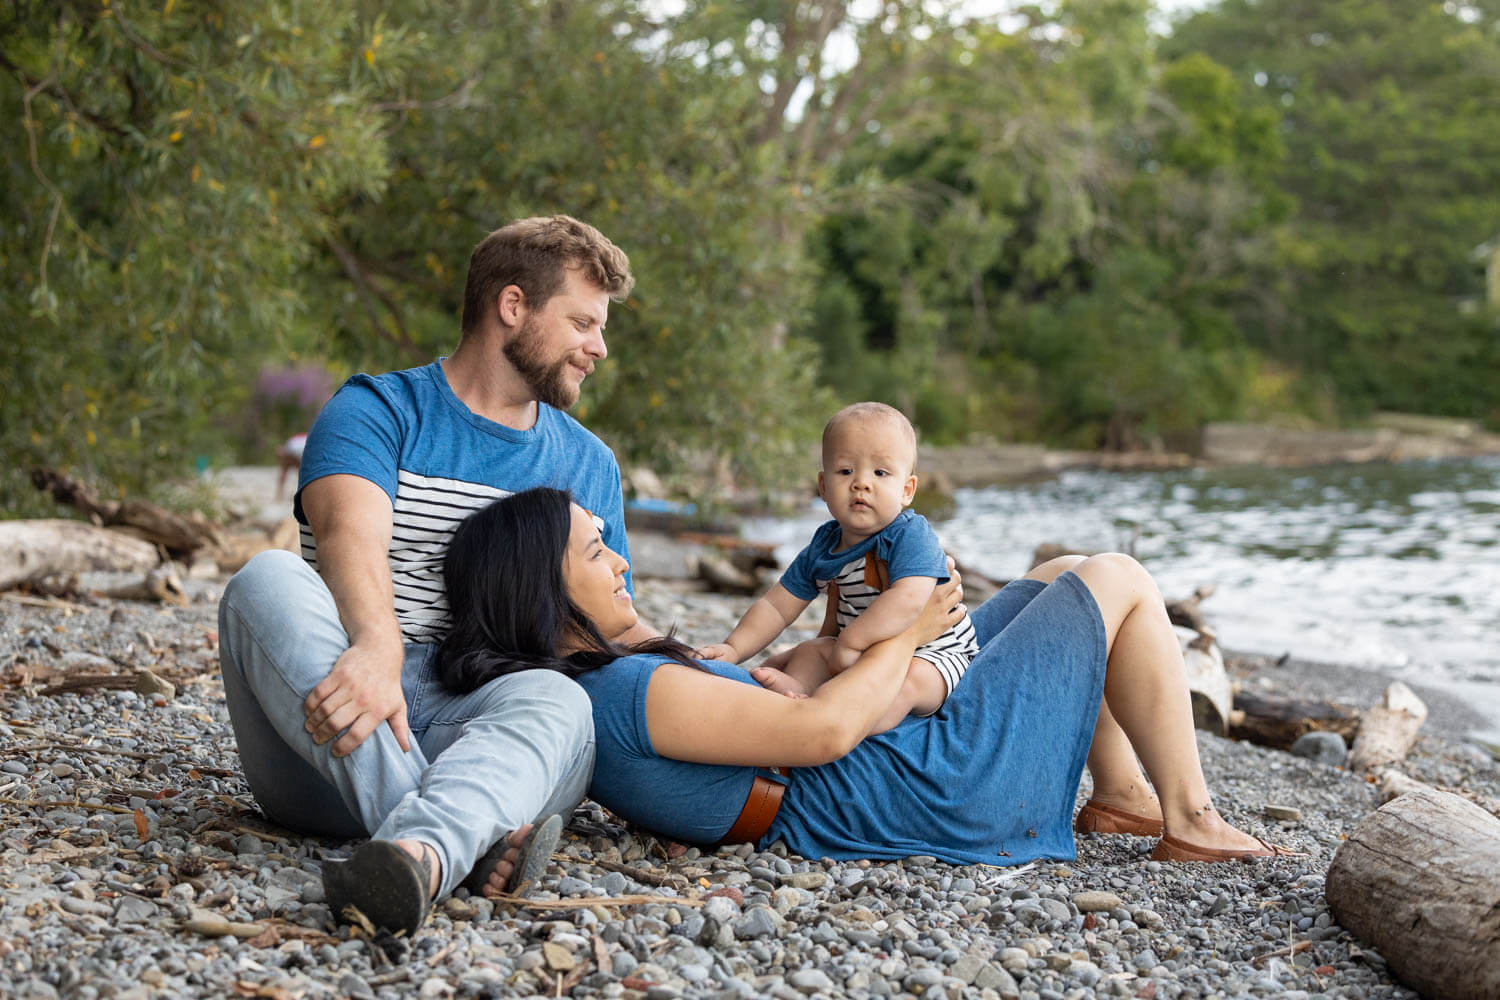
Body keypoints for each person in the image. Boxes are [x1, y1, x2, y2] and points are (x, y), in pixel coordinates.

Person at [439, 486, 1303, 867]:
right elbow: (822, 734)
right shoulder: (626, 691)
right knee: (1113, 577)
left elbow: (790, 712)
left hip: (900, 755)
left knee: (1063, 570)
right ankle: (1191, 817)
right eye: (596, 551)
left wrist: (833, 648)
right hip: (925, 786)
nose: (621, 559)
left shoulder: (627, 678)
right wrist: (910, 633)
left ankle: (1120, 792)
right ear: (543, 592)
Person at [217, 215, 653, 936]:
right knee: (264, 580)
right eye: (582, 322)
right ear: (512, 306)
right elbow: (348, 538)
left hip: (490, 746)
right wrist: (378, 648)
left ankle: (416, 855)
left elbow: (614, 626)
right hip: (331, 726)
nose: (598, 347)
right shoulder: (376, 411)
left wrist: (760, 690)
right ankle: (467, 843)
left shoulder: (588, 465)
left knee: (561, 700)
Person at [697, 402, 978, 735]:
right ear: (823, 486)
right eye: (845, 471)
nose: (861, 483)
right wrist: (734, 647)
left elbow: (910, 599)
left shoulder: (908, 534)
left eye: (880, 473)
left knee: (911, 682)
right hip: (859, 652)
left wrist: (851, 642)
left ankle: (860, 731)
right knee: (810, 652)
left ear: (907, 490)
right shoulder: (825, 544)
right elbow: (776, 606)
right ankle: (798, 696)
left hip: (931, 650)